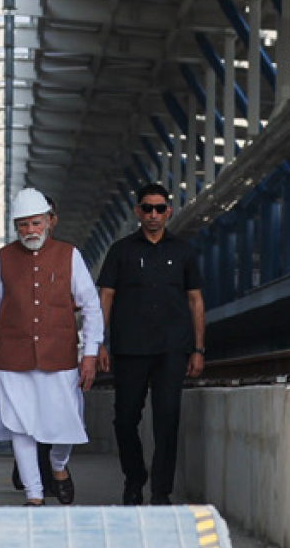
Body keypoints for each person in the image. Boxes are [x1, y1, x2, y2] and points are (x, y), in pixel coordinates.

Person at [0, 187, 103, 506]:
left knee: (64, 423)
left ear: (49, 221)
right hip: (12, 358)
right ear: (15, 226)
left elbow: (90, 305)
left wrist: (90, 353)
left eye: (35, 223)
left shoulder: (69, 255)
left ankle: (59, 467)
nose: (30, 231)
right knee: (20, 427)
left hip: (59, 357)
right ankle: (34, 494)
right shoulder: (3, 259)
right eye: (23, 225)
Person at [95, 183, 204, 506]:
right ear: (137, 212)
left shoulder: (183, 252)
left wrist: (198, 349)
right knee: (125, 419)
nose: (153, 214)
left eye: (159, 208)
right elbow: (106, 297)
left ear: (168, 211)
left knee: (167, 419)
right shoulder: (121, 251)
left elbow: (195, 300)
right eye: (147, 208)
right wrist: (97, 342)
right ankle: (134, 478)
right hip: (130, 348)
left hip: (172, 348)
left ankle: (161, 490)